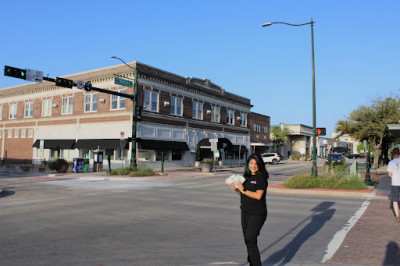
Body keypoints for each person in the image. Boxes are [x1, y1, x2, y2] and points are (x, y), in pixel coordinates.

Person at [229, 154, 269, 266]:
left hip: (257, 212)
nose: (253, 166)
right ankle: (252, 261)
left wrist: (243, 189)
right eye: (251, 163)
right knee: (248, 240)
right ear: (248, 165)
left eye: (256, 163)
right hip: (245, 211)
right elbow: (243, 194)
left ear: (260, 165)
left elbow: (258, 196)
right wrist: (236, 189)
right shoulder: (246, 177)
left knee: (250, 238)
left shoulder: (261, 177)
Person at [387, 147, 400, 222]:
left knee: (395, 200)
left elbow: (389, 174)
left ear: (393, 154)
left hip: (395, 183)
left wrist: (393, 177)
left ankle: (397, 216)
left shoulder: (391, 163)